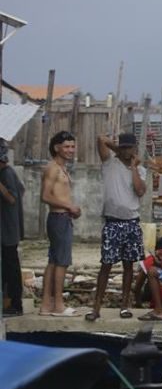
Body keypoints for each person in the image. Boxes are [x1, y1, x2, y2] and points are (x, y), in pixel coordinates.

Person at [85, 134, 147, 321]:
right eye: (124, 147)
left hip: (131, 222)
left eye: (130, 148)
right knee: (106, 265)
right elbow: (100, 139)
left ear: (135, 149)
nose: (127, 151)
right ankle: (96, 308)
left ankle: (125, 306)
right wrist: (119, 150)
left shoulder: (140, 169)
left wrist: (133, 167)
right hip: (112, 222)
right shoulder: (109, 163)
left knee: (128, 266)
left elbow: (140, 191)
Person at [39, 131, 82, 317]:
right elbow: (45, 196)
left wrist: (71, 209)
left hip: (62, 218)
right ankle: (58, 305)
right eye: (66, 147)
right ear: (57, 148)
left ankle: (46, 305)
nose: (70, 150)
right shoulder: (53, 168)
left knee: (54, 261)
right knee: (61, 262)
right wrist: (69, 206)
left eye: (72, 146)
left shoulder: (61, 168)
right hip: (58, 219)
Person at [0, 142, 25, 317]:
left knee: (11, 268)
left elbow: (12, 198)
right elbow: (22, 189)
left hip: (8, 230)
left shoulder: (7, 173)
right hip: (6, 228)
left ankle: (15, 304)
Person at [133, 237, 162, 310]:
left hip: (157, 303)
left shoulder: (150, 260)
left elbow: (137, 287)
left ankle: (157, 308)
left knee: (150, 276)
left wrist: (138, 303)